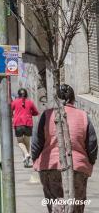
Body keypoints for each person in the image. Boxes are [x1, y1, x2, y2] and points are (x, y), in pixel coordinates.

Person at [31, 84, 97, 212]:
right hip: (77, 167)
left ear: (56, 99)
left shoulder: (47, 115)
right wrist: (88, 163)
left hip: (50, 166)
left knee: (55, 206)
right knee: (76, 206)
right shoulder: (83, 116)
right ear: (73, 99)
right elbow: (92, 144)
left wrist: (36, 161)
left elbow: (36, 143)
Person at [11, 88, 39, 167]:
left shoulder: (15, 102)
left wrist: (13, 115)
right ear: (26, 94)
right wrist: (30, 113)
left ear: (18, 94)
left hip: (18, 124)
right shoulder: (30, 102)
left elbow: (9, 110)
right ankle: (26, 161)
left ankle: (26, 154)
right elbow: (36, 112)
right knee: (27, 142)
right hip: (28, 124)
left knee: (20, 142)